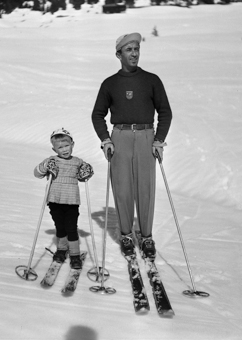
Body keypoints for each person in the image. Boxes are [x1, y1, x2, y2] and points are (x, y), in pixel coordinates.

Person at [91, 33, 172, 261]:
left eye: (136, 49)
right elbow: (98, 114)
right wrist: (106, 139)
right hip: (120, 137)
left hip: (147, 136)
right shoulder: (110, 83)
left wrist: (159, 139)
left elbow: (165, 111)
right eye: (129, 50)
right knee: (123, 188)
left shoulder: (152, 80)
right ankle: (126, 234)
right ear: (119, 54)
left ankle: (146, 236)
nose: (134, 53)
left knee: (145, 188)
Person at [34, 128, 94, 269]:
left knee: (71, 228)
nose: (64, 149)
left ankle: (74, 255)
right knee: (60, 227)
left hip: (72, 201)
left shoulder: (77, 162)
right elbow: (37, 173)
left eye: (66, 145)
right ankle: (61, 249)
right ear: (54, 149)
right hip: (54, 200)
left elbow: (82, 176)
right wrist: (45, 166)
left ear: (72, 144)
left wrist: (87, 172)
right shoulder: (51, 161)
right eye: (60, 147)